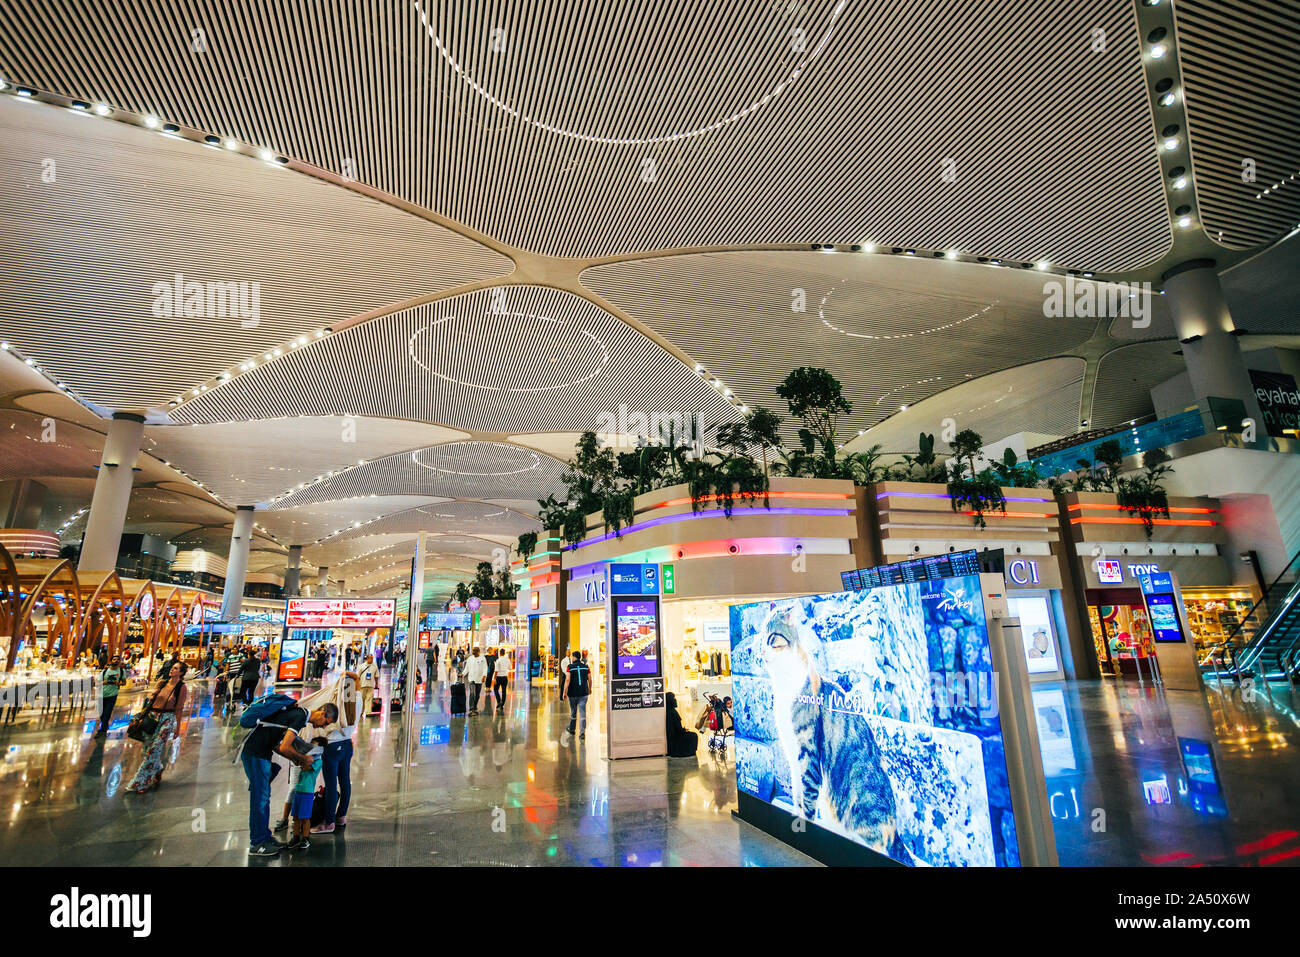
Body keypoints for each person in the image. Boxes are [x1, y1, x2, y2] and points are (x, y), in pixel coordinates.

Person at [242, 700, 337, 857]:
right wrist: (303, 759)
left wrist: (296, 759)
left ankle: (264, 837)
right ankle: (257, 843)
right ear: (322, 713)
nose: (324, 727)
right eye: (326, 722)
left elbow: (277, 744)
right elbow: (286, 747)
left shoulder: (297, 714)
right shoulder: (300, 716)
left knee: (264, 798)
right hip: (255, 755)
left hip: (260, 754)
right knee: (260, 799)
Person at [124, 661, 189, 792]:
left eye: (175, 668)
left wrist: (177, 728)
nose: (172, 670)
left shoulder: (181, 687)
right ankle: (158, 768)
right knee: (148, 748)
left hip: (167, 719)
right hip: (153, 717)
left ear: (181, 673)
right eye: (172, 668)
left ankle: (141, 782)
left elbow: (179, 709)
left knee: (154, 749)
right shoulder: (162, 683)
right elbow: (152, 699)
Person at [312, 670, 358, 834]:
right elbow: (356, 684)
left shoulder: (336, 705)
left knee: (331, 784)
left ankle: (329, 822)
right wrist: (351, 676)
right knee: (345, 780)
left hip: (332, 747)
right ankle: (341, 816)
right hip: (347, 745)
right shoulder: (357, 700)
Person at [287, 736, 327, 851]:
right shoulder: (307, 757)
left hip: (307, 792)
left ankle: (305, 838)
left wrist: (301, 757)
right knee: (296, 817)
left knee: (305, 818)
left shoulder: (319, 761)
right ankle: (295, 837)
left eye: (314, 746)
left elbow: (306, 767)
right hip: (298, 790)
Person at [96, 653, 128, 736]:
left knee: (107, 712)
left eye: (118, 660)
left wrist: (119, 683)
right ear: (110, 661)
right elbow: (97, 682)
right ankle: (104, 726)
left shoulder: (121, 671)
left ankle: (102, 730)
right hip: (101, 694)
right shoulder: (105, 671)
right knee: (101, 713)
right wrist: (104, 682)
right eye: (114, 659)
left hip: (112, 695)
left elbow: (124, 682)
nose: (116, 661)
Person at [564, 649, 591, 739]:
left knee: (573, 711)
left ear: (574, 657)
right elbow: (590, 679)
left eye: (572, 656)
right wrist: (590, 689)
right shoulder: (586, 667)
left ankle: (572, 729)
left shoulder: (570, 667)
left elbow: (567, 679)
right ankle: (582, 733)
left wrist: (564, 691)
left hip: (572, 693)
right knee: (583, 713)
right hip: (583, 692)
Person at [664, 691, 698, 758]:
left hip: (671, 736)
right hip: (675, 736)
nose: (675, 700)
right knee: (694, 736)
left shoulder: (667, 711)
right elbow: (678, 729)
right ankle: (690, 752)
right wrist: (684, 730)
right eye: (674, 698)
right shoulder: (673, 712)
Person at [464, 646, 488, 716]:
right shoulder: (470, 659)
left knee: (477, 695)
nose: (473, 652)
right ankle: (471, 709)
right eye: (473, 651)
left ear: (478, 652)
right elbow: (467, 669)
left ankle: (475, 707)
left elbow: (485, 668)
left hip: (479, 679)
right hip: (471, 679)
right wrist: (462, 674)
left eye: (475, 651)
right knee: (472, 693)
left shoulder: (483, 658)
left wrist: (484, 676)